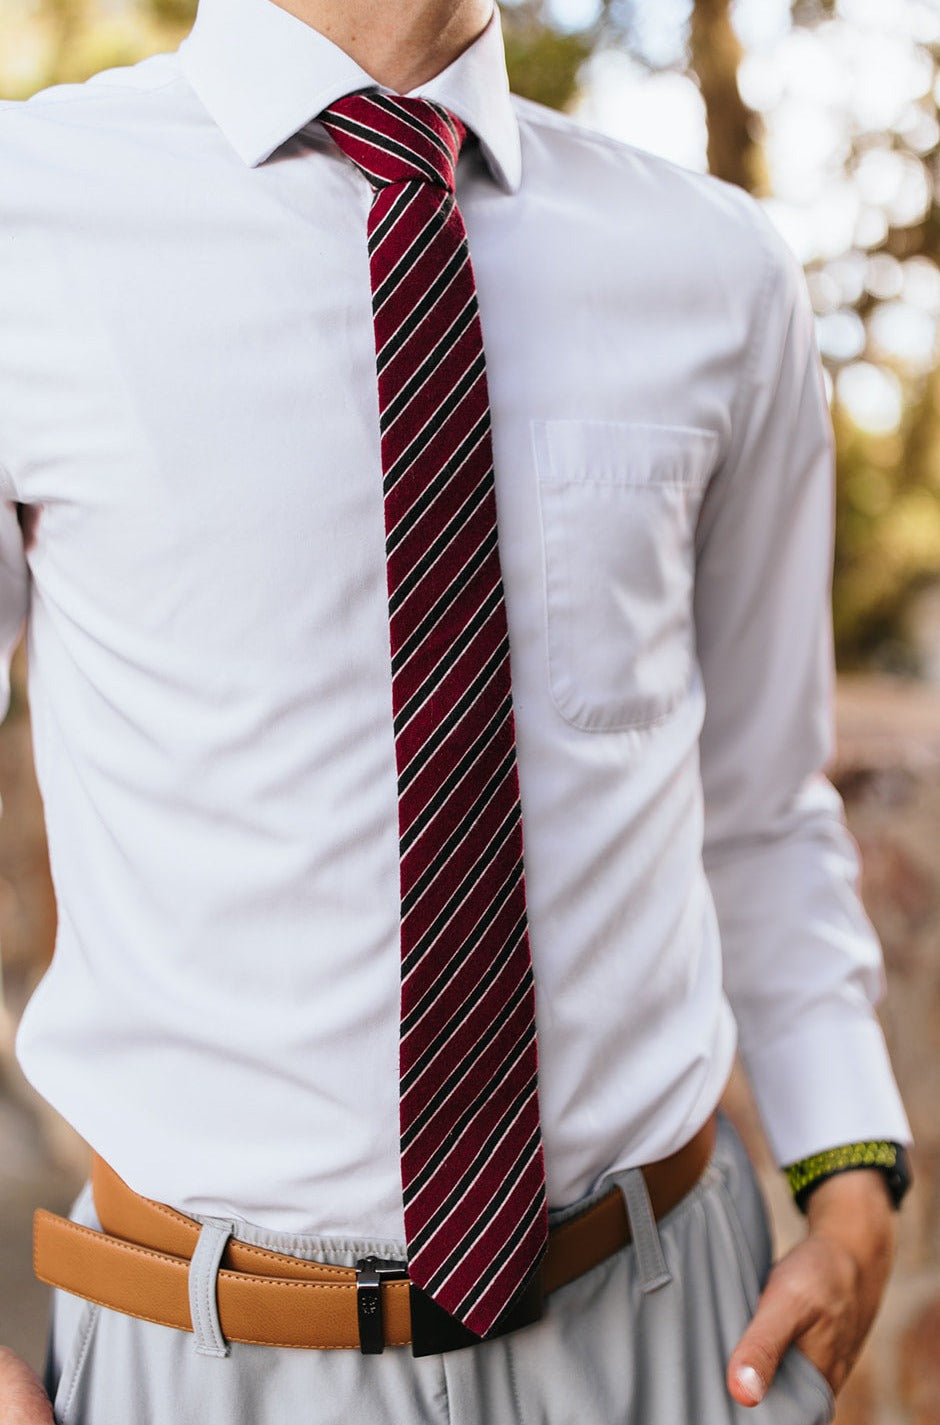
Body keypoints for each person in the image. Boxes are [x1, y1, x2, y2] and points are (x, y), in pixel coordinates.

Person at [0, 0, 913, 1421]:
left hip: (669, 1325)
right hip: (210, 1360)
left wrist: (850, 1179)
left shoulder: (713, 270)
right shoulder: (26, 222)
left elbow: (762, 802)